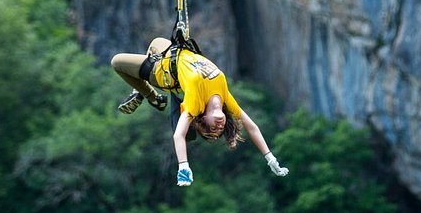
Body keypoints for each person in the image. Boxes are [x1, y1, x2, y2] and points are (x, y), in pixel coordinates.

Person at [111, 37, 290, 186]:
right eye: (220, 130)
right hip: (174, 53)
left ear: (202, 117)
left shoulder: (195, 103)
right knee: (156, 42)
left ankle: (151, 95)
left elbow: (178, 135)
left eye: (212, 128)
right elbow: (252, 127)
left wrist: (183, 166)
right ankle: (142, 90)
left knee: (117, 62)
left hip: (162, 74)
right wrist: (270, 158)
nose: (219, 127)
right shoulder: (226, 97)